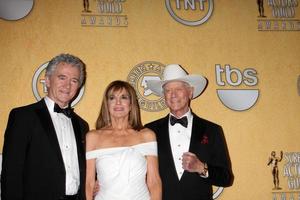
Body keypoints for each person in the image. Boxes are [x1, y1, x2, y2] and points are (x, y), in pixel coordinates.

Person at [1, 53, 89, 200]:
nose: (67, 85)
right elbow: (11, 173)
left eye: (74, 80)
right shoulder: (23, 117)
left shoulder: (82, 125)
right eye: (62, 77)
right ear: (47, 80)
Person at [145, 64, 234, 200]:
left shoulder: (212, 130)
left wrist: (201, 168)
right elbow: (138, 173)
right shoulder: (149, 130)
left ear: (190, 92)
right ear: (164, 96)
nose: (173, 95)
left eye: (178, 89)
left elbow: (226, 178)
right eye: (168, 90)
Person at [85, 80, 162, 200]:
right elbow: (89, 183)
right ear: (107, 104)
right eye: (112, 98)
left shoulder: (147, 136)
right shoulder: (93, 137)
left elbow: (154, 181)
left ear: (131, 104)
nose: (118, 102)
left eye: (124, 97)